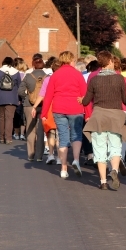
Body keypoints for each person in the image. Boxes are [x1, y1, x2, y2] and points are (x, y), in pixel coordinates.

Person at [81, 51, 126, 190]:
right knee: (115, 147)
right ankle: (114, 170)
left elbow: (86, 101)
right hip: (116, 117)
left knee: (99, 149)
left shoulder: (94, 80)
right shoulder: (119, 79)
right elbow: (125, 100)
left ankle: (103, 182)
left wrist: (81, 100)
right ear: (109, 62)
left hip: (99, 117)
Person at [41, 51, 87, 179]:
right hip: (76, 109)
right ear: (71, 60)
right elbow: (85, 95)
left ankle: (63, 168)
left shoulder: (55, 75)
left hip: (59, 109)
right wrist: (88, 112)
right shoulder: (77, 75)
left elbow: (48, 95)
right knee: (76, 135)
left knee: (63, 137)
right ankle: (76, 160)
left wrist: (44, 113)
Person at [31, 59, 62, 165]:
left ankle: (51, 154)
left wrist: (34, 106)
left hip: (49, 108)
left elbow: (42, 94)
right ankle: (59, 157)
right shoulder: (64, 79)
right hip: (61, 107)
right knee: (60, 133)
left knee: (50, 132)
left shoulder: (48, 79)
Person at [0, 57, 21, 144]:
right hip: (12, 99)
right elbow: (20, 87)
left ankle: (1, 138)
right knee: (9, 118)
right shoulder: (16, 73)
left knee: (2, 118)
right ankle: (8, 138)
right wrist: (19, 99)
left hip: (0, 98)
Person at [19, 56, 47, 162]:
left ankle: (30, 154)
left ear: (33, 64)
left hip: (29, 105)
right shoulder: (47, 77)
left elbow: (20, 91)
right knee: (40, 130)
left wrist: (26, 97)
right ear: (43, 65)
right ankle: (39, 156)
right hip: (43, 106)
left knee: (30, 130)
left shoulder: (28, 76)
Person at [13, 58, 28, 140]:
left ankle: (16, 133)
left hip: (15, 97)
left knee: (16, 116)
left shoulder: (15, 75)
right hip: (23, 97)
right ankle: (22, 134)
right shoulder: (26, 75)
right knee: (23, 116)